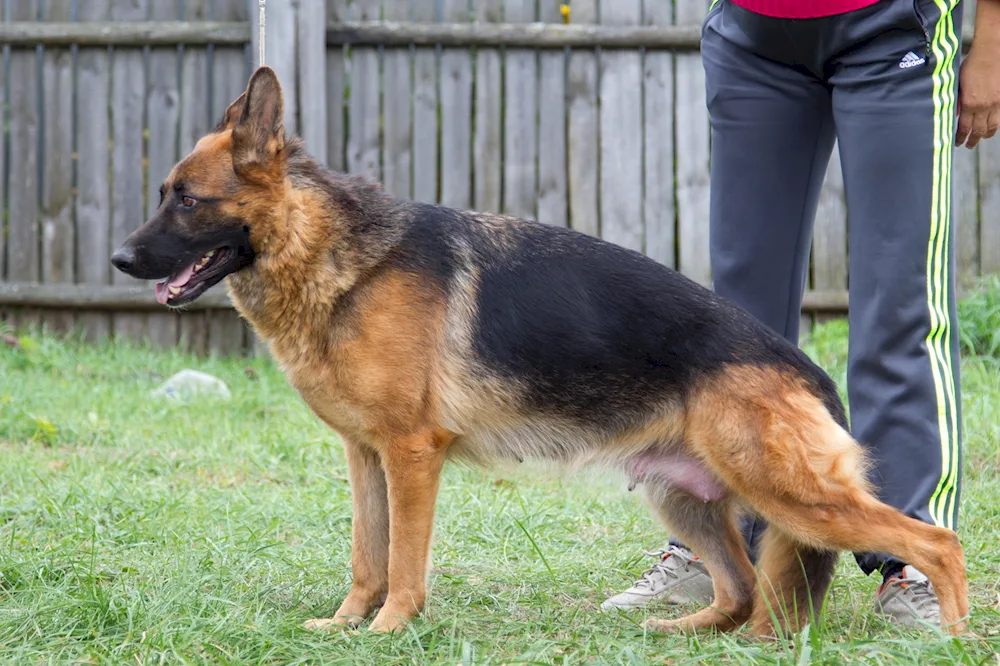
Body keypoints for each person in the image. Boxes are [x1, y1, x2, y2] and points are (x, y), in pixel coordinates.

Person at [603, 0, 1000, 627]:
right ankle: (721, 548)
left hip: (892, 27)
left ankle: (910, 556)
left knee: (900, 301)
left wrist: (994, 42)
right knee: (734, 322)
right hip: (753, 35)